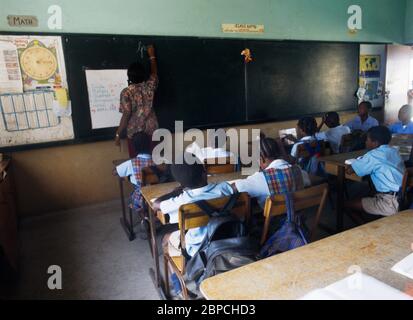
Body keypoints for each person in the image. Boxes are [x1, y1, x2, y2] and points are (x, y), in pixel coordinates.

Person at [345, 126, 405, 220]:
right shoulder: (394, 150)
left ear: (375, 143)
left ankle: (365, 229)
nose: (365, 142)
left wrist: (355, 162)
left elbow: (349, 171)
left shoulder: (373, 155)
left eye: (367, 140)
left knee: (347, 204)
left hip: (390, 203)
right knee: (367, 193)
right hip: (405, 196)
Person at [232, 137, 311, 208]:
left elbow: (234, 188)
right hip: (298, 216)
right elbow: (308, 182)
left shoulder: (260, 178)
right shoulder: (299, 171)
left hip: (273, 221)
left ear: (261, 159)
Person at [115, 45, 159, 157]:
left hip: (135, 134)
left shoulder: (126, 92)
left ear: (129, 77)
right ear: (144, 75)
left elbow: (126, 115)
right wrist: (152, 56)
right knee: (152, 162)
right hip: (151, 131)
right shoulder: (150, 86)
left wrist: (118, 134)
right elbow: (154, 73)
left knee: (137, 163)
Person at [113, 132, 153, 212]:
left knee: (132, 196)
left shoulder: (132, 163)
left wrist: (129, 177)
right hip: (158, 196)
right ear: (149, 145)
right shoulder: (158, 161)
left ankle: (143, 214)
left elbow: (115, 172)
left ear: (134, 147)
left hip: (141, 200)